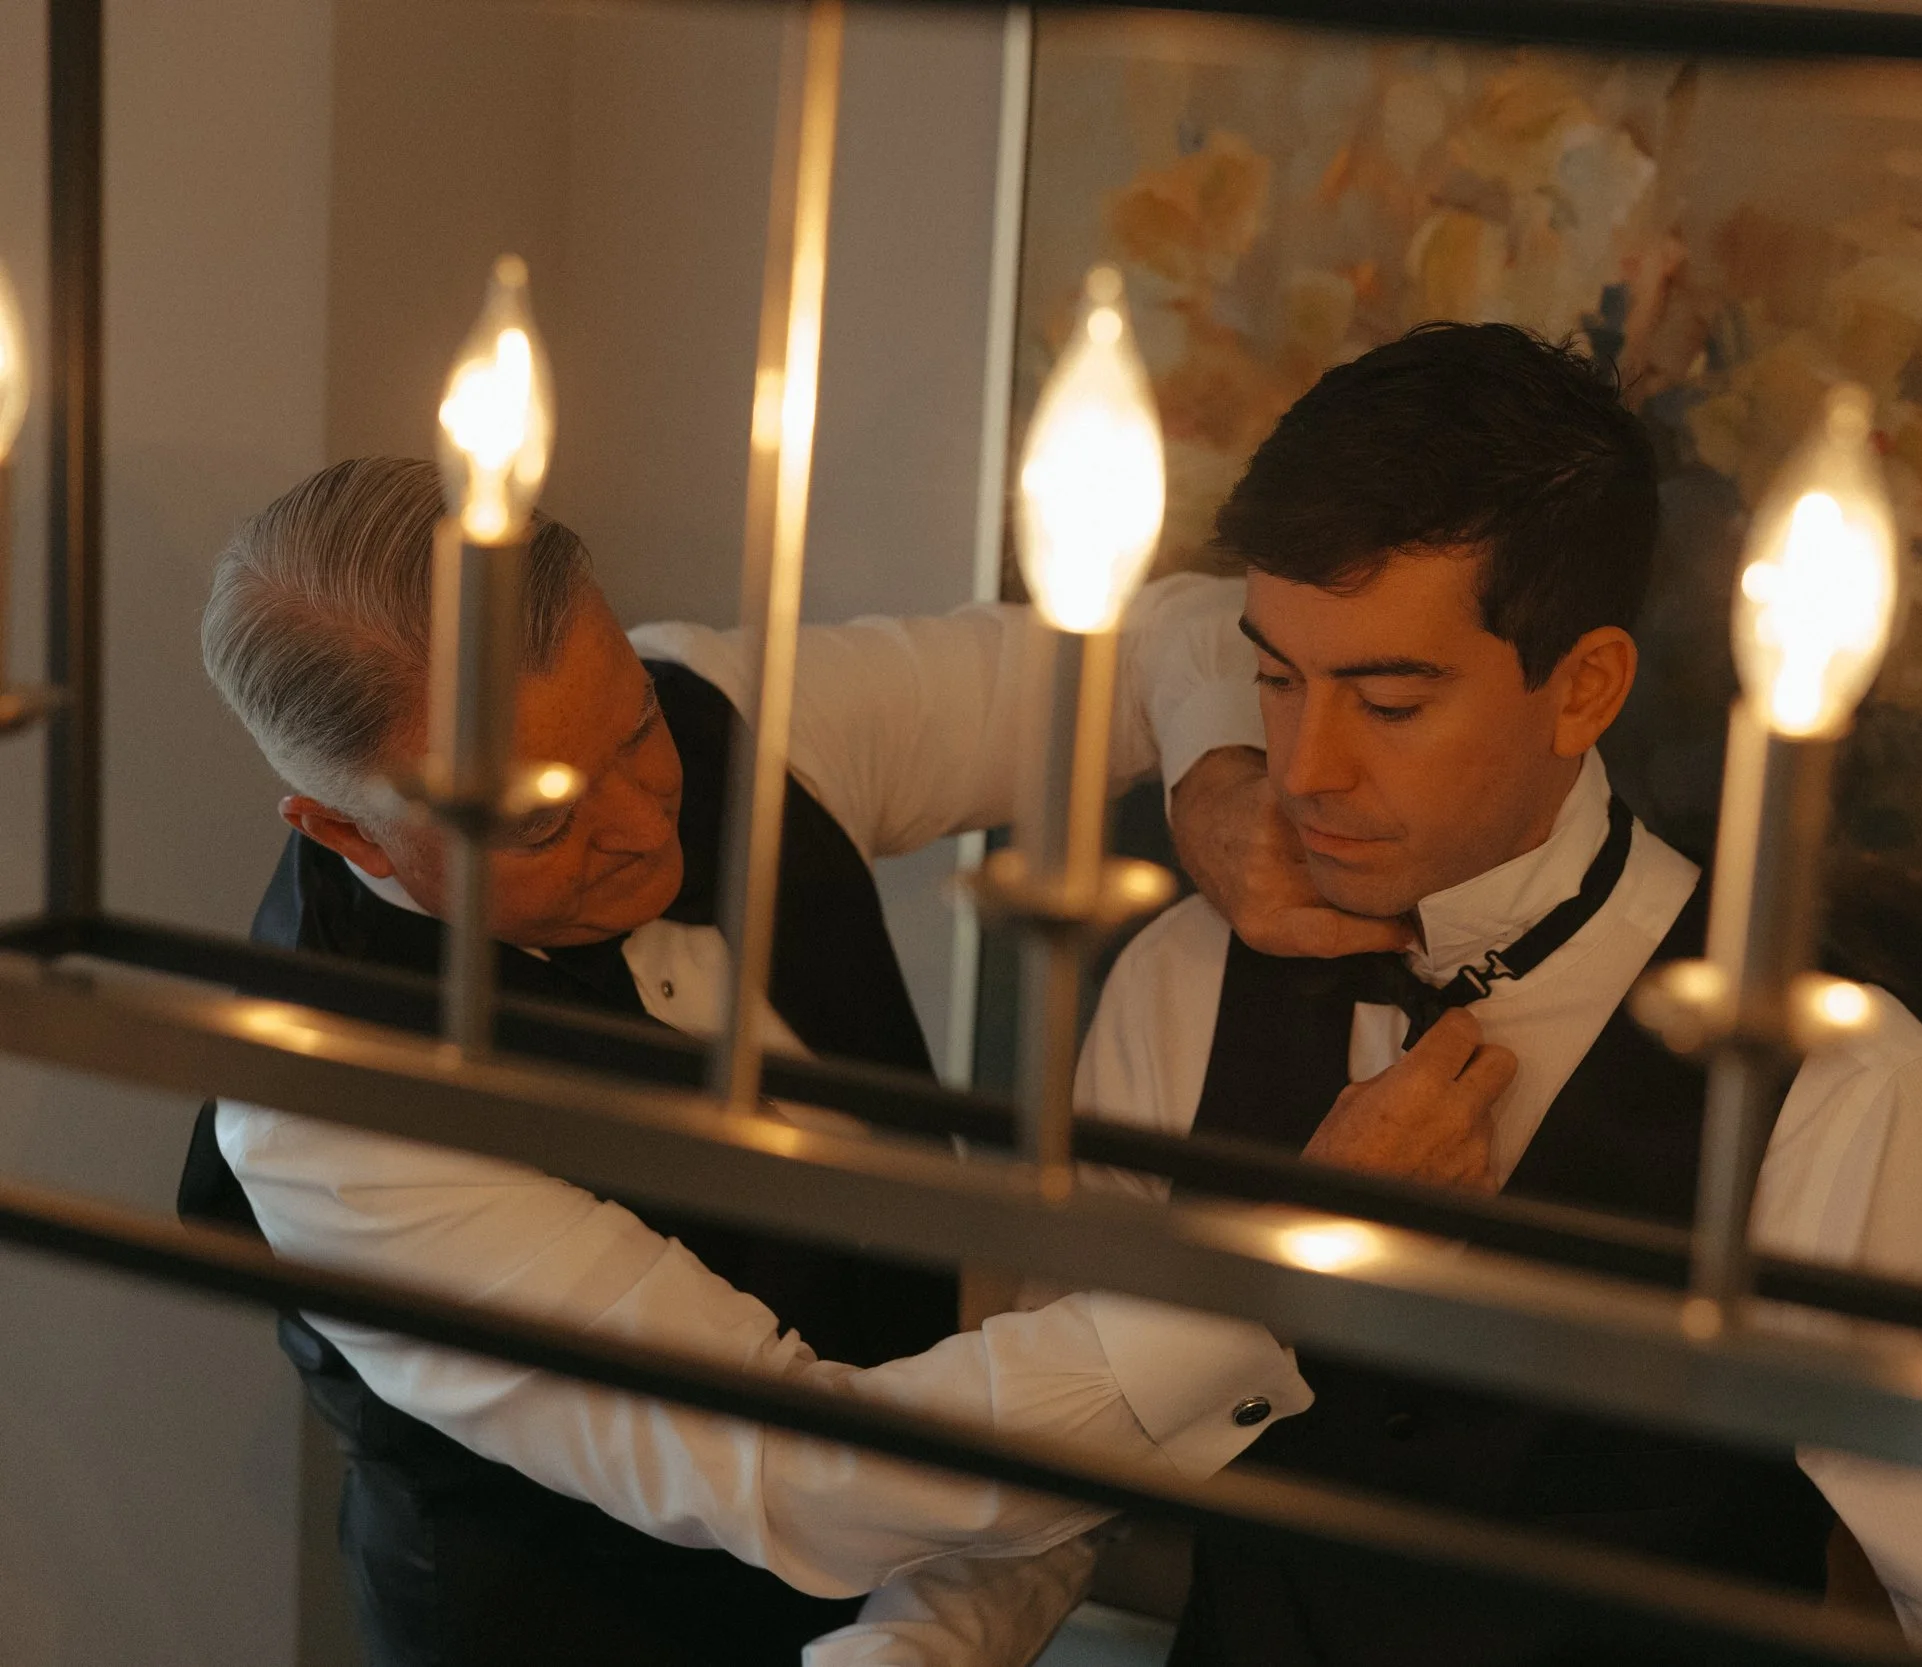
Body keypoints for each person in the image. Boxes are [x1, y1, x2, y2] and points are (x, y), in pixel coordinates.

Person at [176, 457, 1503, 1667]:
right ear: (348, 836)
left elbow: (1176, 628)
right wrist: (1275, 1271)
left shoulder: (723, 708)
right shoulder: (330, 1122)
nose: (651, 827)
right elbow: (796, 1462)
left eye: (633, 733)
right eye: (538, 817)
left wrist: (1211, 781)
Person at [966, 324, 1922, 1665]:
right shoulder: (1178, 980)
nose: (1303, 770)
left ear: (1582, 687)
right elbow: (1036, 1489)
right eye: (1277, 680)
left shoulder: (1835, 1086)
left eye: (1390, 703)